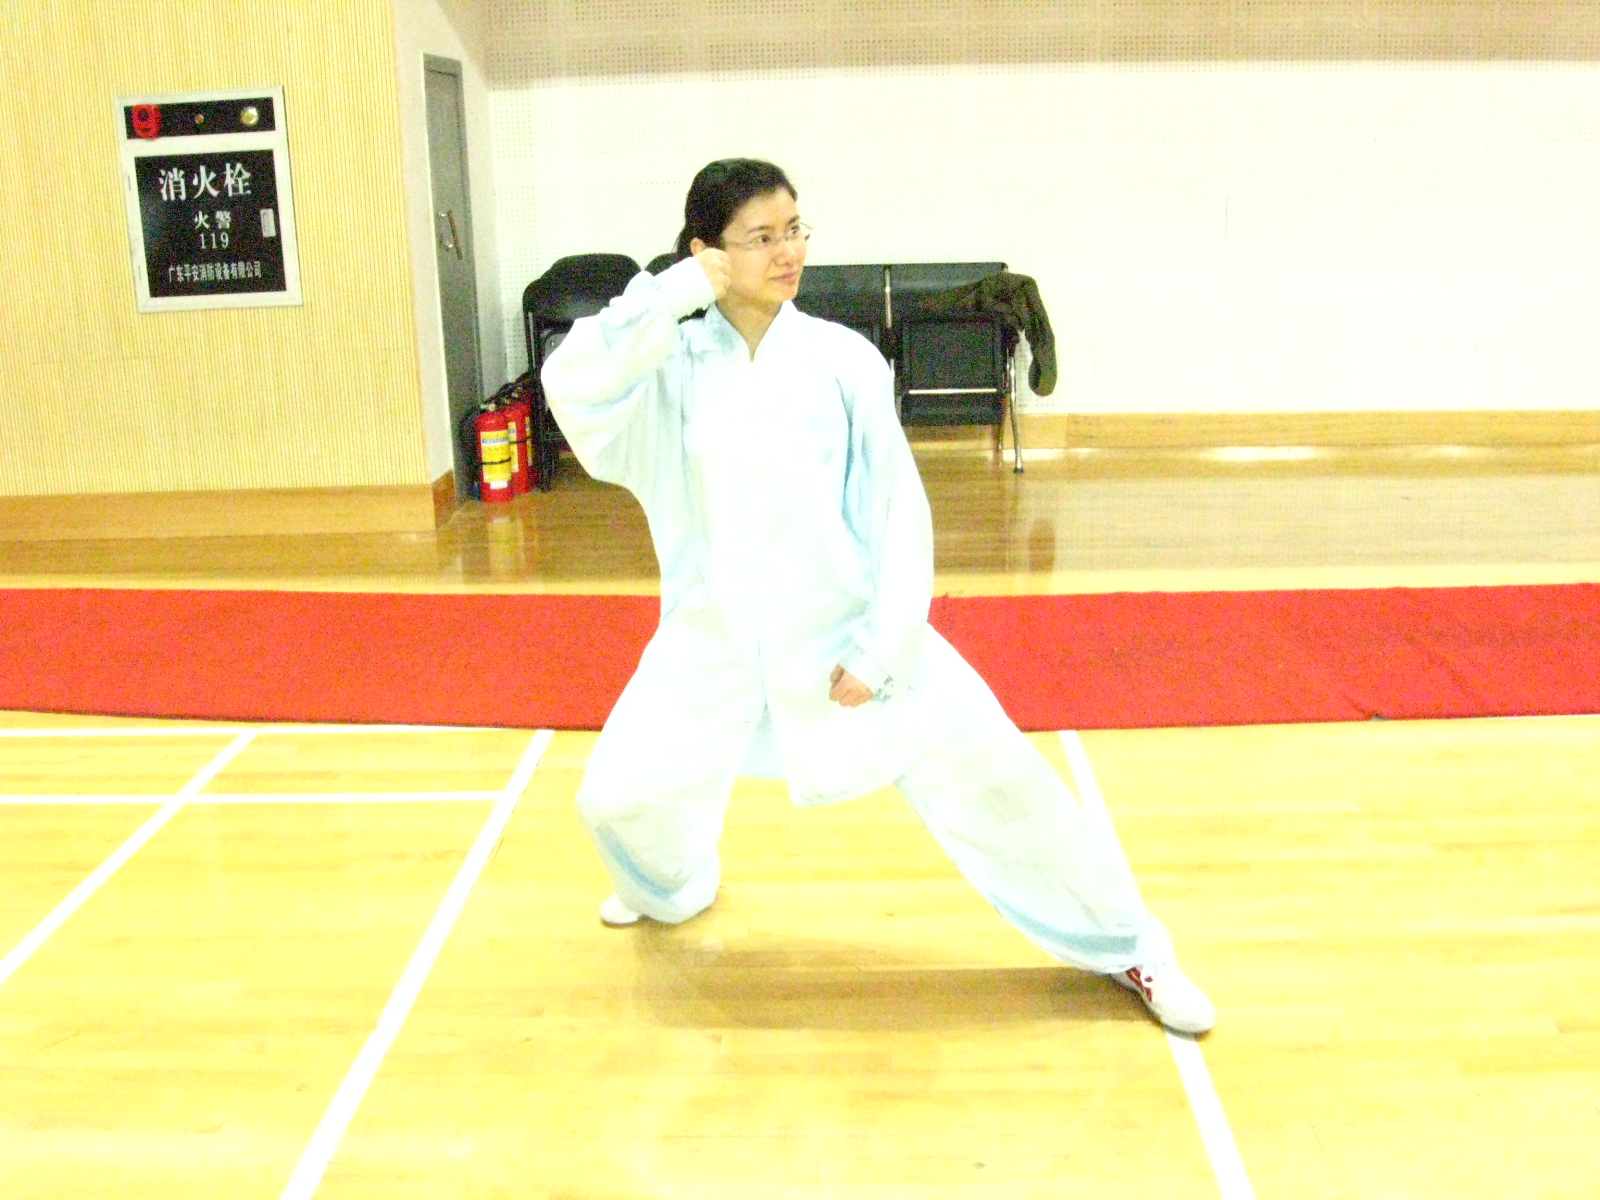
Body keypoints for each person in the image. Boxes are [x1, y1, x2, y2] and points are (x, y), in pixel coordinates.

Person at [540, 159, 1214, 1034]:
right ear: (707, 252)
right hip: (711, 644)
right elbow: (574, 381)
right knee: (617, 798)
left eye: (795, 229)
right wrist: (675, 294)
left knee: (997, 776)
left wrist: (882, 647)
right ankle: (669, 887)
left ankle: (1128, 946)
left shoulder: (840, 360)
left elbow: (897, 512)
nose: (789, 252)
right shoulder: (672, 366)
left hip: (842, 635)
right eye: (762, 237)